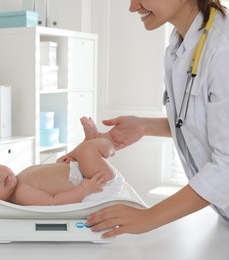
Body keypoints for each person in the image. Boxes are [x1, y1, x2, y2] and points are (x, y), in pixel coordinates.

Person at [85, 0, 229, 238]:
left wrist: (148, 218)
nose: (133, 7)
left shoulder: (223, 48)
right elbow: (203, 122)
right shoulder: (178, 45)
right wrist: (145, 126)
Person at [0, 117, 122, 206]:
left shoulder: (19, 179)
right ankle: (108, 142)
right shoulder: (21, 195)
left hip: (80, 173)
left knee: (76, 154)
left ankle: (90, 141)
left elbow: (48, 180)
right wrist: (85, 190)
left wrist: (60, 165)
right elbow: (53, 202)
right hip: (98, 183)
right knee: (85, 152)